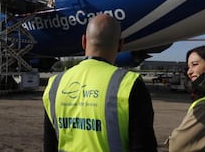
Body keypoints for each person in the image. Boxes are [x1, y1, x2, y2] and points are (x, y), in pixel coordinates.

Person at [43, 14, 157, 152]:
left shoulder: (55, 85)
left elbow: (49, 146)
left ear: (84, 41)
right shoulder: (129, 85)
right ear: (121, 45)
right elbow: (144, 146)